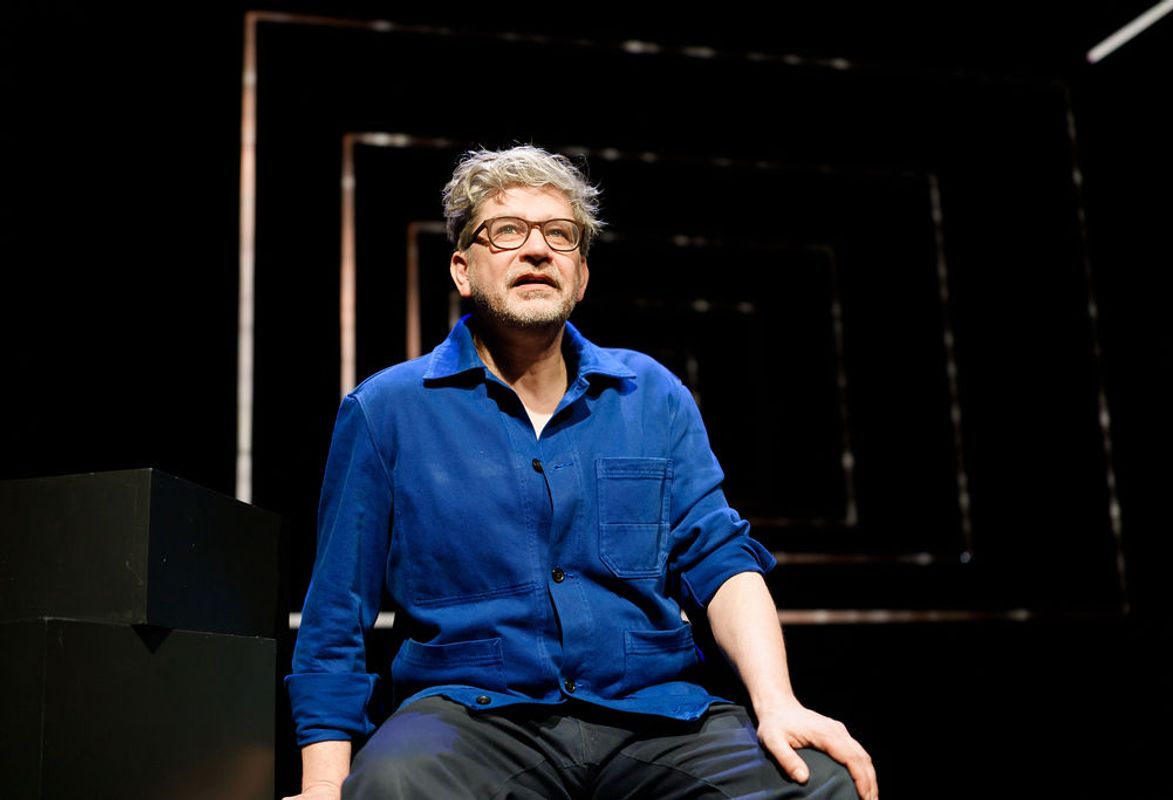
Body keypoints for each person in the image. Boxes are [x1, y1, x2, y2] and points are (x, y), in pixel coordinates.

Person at [284, 145, 877, 800]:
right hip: (469, 719)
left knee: (820, 784)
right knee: (392, 785)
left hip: (653, 714)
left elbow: (721, 563)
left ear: (582, 276)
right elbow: (337, 610)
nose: (537, 250)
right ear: (462, 269)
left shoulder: (652, 395)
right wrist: (322, 782)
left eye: (559, 235)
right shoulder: (386, 410)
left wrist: (778, 703)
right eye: (507, 231)